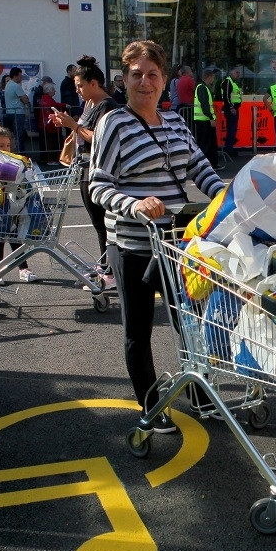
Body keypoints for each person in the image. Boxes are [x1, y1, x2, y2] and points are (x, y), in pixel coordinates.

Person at [89, 40, 224, 433]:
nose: (144, 82)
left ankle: (199, 394)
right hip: (133, 247)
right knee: (139, 330)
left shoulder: (177, 123)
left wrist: (228, 197)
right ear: (124, 79)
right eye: (136, 75)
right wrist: (133, 204)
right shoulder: (112, 124)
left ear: (164, 80)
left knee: (191, 325)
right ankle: (151, 406)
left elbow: (201, 169)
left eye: (152, 74)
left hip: (178, 243)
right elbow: (98, 186)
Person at [51, 55, 120, 290]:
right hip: (84, 168)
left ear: (94, 83)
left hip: (98, 170)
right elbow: (82, 132)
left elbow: (98, 138)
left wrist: (74, 126)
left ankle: (111, 274)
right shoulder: (90, 104)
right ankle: (106, 266)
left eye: (80, 85)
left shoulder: (107, 106)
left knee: (105, 224)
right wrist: (66, 123)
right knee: (99, 224)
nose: (78, 90)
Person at [0, 125, 38, 284]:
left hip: (12, 205)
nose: (5, 148)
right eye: (0, 146)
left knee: (14, 236)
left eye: (7, 145)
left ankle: (23, 268)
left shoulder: (13, 160)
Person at [193, 67, 220, 169]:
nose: (213, 79)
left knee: (210, 144)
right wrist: (211, 118)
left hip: (204, 120)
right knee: (206, 144)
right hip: (203, 120)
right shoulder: (202, 88)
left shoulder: (202, 87)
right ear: (209, 77)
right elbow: (205, 105)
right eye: (213, 77)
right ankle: (203, 165)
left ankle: (211, 164)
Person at [2, 67, 32, 152]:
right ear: (15, 75)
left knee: (13, 135)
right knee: (19, 135)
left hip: (10, 112)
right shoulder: (16, 86)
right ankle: (20, 154)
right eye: (20, 75)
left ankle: (14, 152)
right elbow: (25, 100)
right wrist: (25, 98)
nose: (21, 77)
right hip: (17, 113)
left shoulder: (8, 85)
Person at [38, 81, 68, 158]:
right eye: (53, 89)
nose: (55, 91)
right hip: (50, 124)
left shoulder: (44, 98)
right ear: (49, 91)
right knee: (52, 142)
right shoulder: (47, 99)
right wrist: (64, 105)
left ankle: (52, 158)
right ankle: (53, 158)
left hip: (46, 123)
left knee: (51, 141)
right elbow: (53, 105)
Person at [220, 66, 243, 156]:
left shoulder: (232, 82)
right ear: (232, 73)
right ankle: (229, 149)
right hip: (231, 109)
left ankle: (229, 148)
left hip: (233, 108)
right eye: (237, 72)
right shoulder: (228, 82)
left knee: (232, 129)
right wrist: (231, 107)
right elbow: (226, 96)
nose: (238, 74)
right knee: (231, 129)